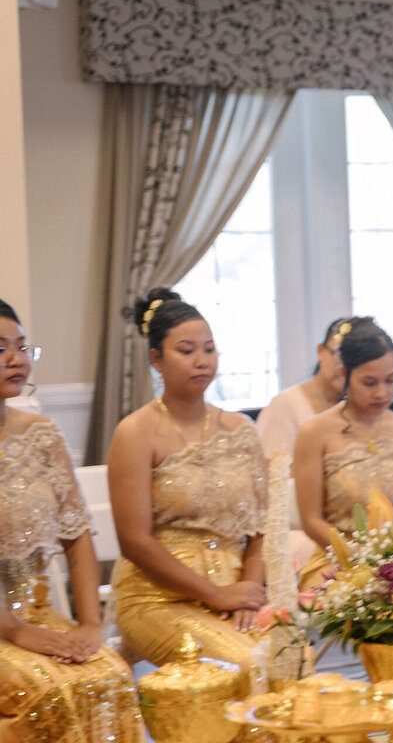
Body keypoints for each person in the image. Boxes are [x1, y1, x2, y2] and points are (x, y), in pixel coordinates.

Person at [0, 299, 142, 741]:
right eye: (0, 348)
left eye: (22, 347)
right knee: (46, 690)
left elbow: (76, 533)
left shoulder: (40, 434)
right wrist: (17, 632)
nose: (15, 359)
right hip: (9, 626)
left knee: (110, 675)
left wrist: (90, 625)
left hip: (38, 612)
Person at [107, 287, 269, 672]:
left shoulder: (241, 429)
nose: (201, 361)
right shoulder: (136, 432)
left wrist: (246, 593)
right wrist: (215, 594)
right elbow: (134, 541)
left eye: (209, 349)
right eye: (186, 350)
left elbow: (262, 530)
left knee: (292, 657)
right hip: (158, 598)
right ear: (156, 359)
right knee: (246, 665)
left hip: (235, 590)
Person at [292, 318, 393, 588]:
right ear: (344, 373)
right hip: (341, 561)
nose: (382, 392)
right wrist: (361, 557)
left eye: (391, 380)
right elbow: (311, 520)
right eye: (369, 382)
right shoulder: (315, 433)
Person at [257, 316, 358, 460]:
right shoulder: (285, 405)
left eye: (355, 361)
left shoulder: (365, 408)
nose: (344, 368)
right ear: (320, 351)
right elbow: (275, 475)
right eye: (340, 356)